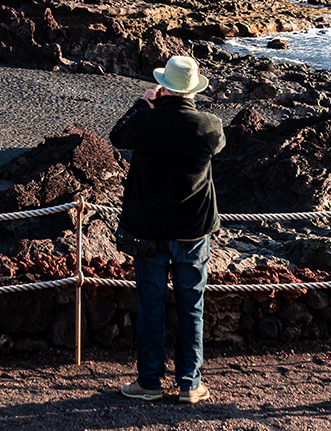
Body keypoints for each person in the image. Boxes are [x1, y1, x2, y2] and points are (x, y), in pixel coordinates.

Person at [109, 55, 226, 404]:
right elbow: (216, 146)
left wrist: (141, 104)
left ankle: (149, 382)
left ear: (164, 87)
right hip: (192, 229)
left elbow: (118, 135)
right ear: (193, 89)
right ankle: (190, 383)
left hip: (150, 229)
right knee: (192, 306)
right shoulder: (210, 125)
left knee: (151, 306)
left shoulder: (145, 121)